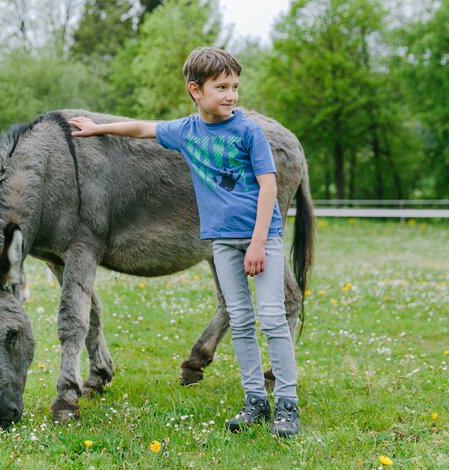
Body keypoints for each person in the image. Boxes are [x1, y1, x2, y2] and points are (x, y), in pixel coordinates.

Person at [68, 47, 299, 438]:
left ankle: (288, 405)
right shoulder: (188, 131)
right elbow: (143, 129)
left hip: (262, 237)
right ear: (196, 90)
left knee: (273, 319)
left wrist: (259, 242)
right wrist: (97, 127)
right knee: (240, 321)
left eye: (235, 87)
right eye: (221, 87)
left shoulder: (248, 132)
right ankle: (255, 401)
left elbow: (268, 186)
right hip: (220, 242)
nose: (231, 95)